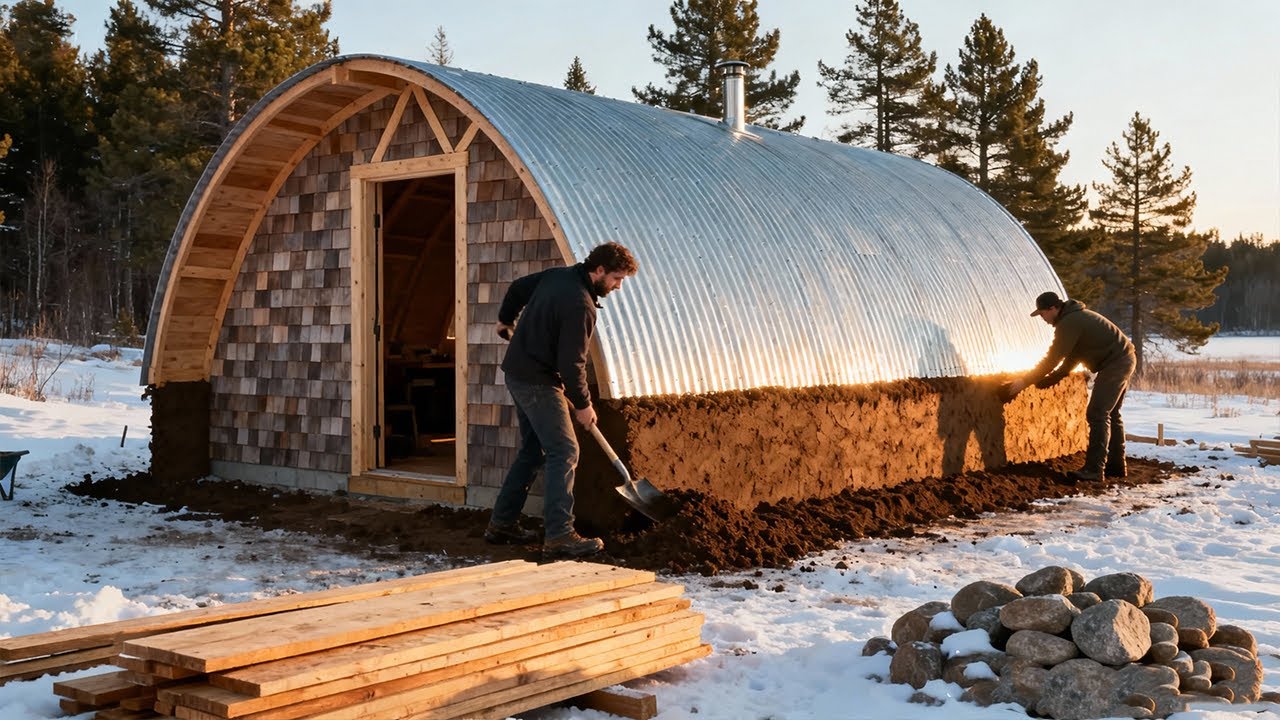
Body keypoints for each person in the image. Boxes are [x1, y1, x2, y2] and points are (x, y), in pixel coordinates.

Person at [485, 242, 640, 558]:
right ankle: (559, 536)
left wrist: (505, 320)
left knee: (534, 449)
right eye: (616, 279)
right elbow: (572, 363)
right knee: (565, 450)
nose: (618, 286)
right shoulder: (580, 304)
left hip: (517, 372)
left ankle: (501, 525)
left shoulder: (558, 276)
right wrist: (583, 405)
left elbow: (517, 289)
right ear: (598, 271)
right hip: (537, 381)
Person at [1006, 291, 1136, 482]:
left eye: (1042, 314)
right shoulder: (1074, 318)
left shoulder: (1069, 323)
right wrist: (1055, 377)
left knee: (1098, 413)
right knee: (1111, 413)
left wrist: (1025, 381)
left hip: (1116, 363)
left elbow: (1052, 359)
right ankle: (1116, 466)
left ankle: (1094, 470)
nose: (1042, 318)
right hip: (1124, 358)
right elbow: (1074, 356)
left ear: (1053, 308)